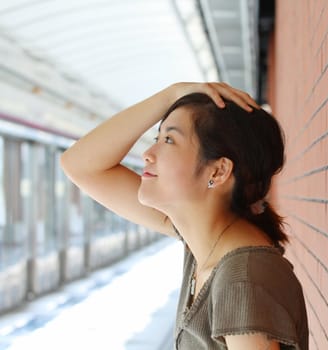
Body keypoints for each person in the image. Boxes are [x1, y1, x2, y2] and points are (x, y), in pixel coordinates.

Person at [60, 82, 309, 350]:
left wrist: (171, 97)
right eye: (157, 139)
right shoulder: (201, 244)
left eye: (169, 140)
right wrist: (171, 94)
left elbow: (83, 167)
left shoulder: (242, 279)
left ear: (218, 171)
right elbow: (80, 165)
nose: (147, 154)